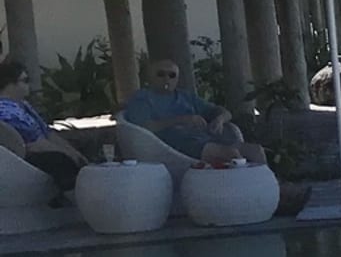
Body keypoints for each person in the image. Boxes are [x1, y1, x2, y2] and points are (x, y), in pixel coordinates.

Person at [121, 60, 265, 164]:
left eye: (172, 75)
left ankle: (268, 189)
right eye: (161, 74)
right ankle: (246, 190)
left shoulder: (185, 96)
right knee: (231, 154)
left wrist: (220, 120)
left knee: (255, 151)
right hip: (175, 146)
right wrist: (182, 119)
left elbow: (224, 112)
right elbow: (144, 127)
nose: (166, 78)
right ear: (150, 77)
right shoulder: (142, 98)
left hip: (205, 139)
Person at [0, 59, 88, 193]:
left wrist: (74, 153)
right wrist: (69, 155)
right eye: (25, 80)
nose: (29, 85)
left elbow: (48, 133)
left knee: (78, 151)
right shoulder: (6, 111)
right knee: (61, 161)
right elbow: (34, 144)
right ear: (10, 84)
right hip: (24, 160)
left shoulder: (23, 105)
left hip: (39, 151)